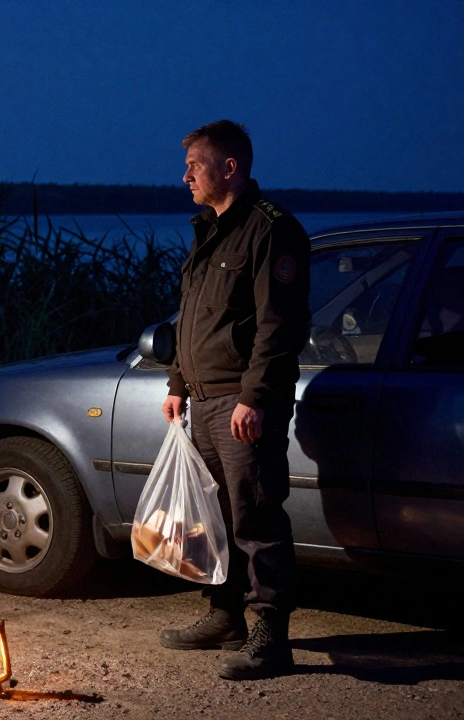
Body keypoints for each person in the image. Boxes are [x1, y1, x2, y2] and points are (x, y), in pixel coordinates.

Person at [158, 120, 311, 680]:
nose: (185, 177)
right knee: (215, 519)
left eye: (194, 166)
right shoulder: (209, 231)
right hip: (203, 402)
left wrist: (255, 396)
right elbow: (192, 317)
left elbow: (279, 326)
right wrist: (178, 383)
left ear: (229, 167)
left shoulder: (270, 230)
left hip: (241, 406)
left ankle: (270, 636)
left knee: (256, 517)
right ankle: (224, 616)